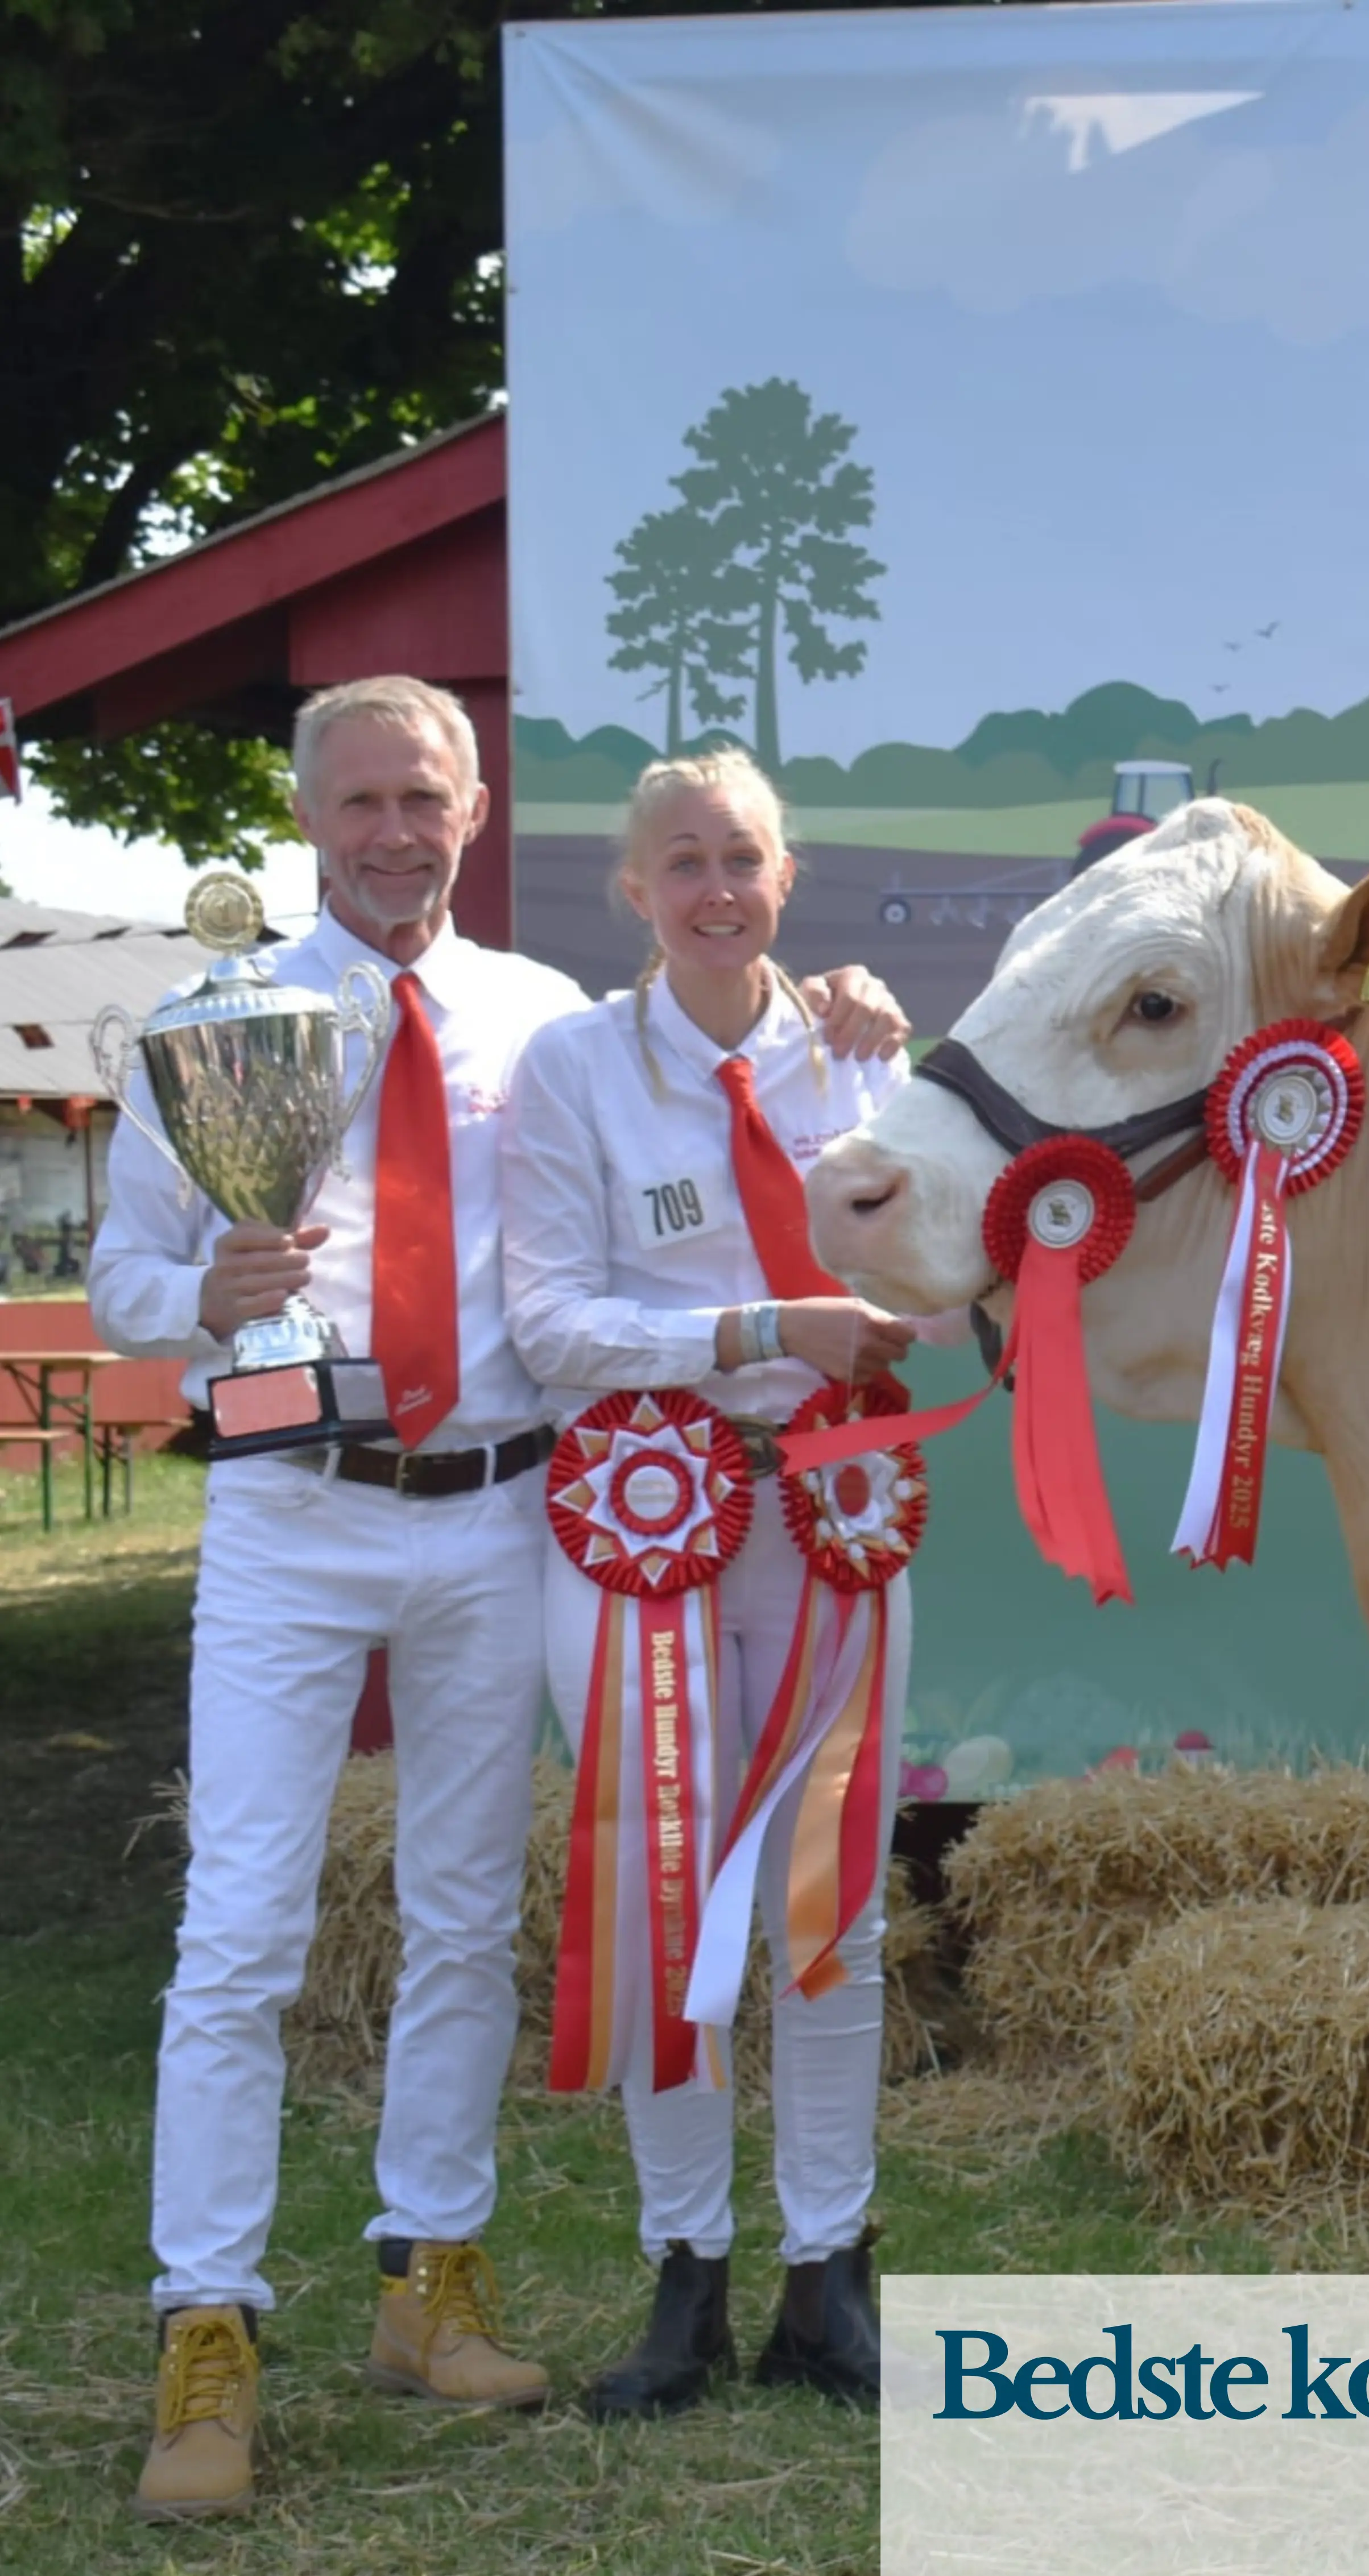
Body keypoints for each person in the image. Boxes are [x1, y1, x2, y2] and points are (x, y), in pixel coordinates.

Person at [91, 678, 908, 2520]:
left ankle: (428, 2279)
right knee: (241, 1928)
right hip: (294, 1509)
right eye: (361, 799)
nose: (395, 831)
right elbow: (122, 1277)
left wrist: (859, 1019)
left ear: (474, 812)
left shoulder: (547, 1025)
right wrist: (199, 1294)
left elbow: (642, 1204)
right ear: (310, 814)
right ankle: (205, 2330)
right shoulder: (216, 1018)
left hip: (508, 1510)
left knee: (466, 1914)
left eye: (426, 799)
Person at [499, 748, 926, 2419]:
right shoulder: (572, 1072)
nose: (715, 888)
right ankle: (686, 2275)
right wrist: (760, 1334)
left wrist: (889, 1316)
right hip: (637, 1531)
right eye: (681, 861)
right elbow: (552, 1326)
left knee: (834, 1911)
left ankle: (830, 2274)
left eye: (741, 856)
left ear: (785, 876)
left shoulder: (865, 1062)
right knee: (662, 1899)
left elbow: (936, 1288)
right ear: (635, 893)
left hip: (833, 1529)